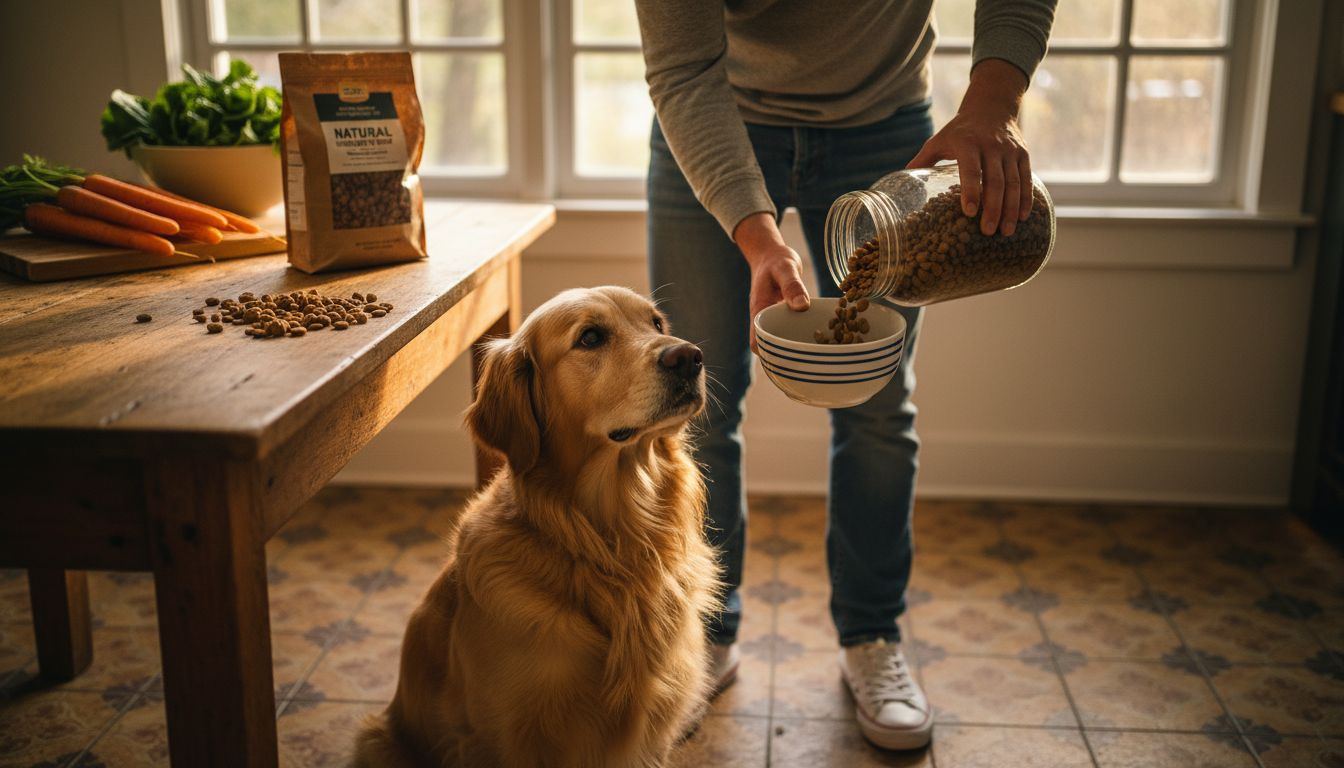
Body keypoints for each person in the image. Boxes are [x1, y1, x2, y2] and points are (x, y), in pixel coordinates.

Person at [633, 0, 1057, 751]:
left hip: (886, 128)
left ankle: (871, 637)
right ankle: (706, 632)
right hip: (714, 114)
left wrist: (994, 107)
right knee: (696, 407)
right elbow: (683, 69)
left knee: (878, 409)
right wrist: (759, 239)